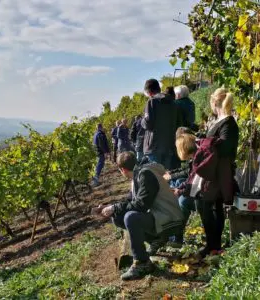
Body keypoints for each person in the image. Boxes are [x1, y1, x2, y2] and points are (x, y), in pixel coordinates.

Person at [94, 152, 184, 280]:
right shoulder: (138, 175)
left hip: (171, 218)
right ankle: (156, 240)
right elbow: (129, 201)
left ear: (122, 170)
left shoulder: (145, 175)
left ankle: (142, 263)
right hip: (160, 216)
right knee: (118, 216)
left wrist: (115, 207)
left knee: (131, 217)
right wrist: (110, 207)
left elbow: (141, 205)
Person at [175, 88, 239, 259]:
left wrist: (203, 141)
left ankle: (214, 245)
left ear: (214, 103)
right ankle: (211, 244)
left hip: (218, 174)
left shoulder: (229, 123)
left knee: (212, 207)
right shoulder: (221, 121)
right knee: (205, 207)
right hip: (211, 173)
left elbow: (224, 147)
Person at [142, 78, 185, 170]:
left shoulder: (151, 102)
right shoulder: (173, 103)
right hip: (169, 146)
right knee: (167, 175)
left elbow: (148, 124)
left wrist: (142, 121)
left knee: (155, 177)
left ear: (148, 92)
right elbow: (179, 124)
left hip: (154, 147)